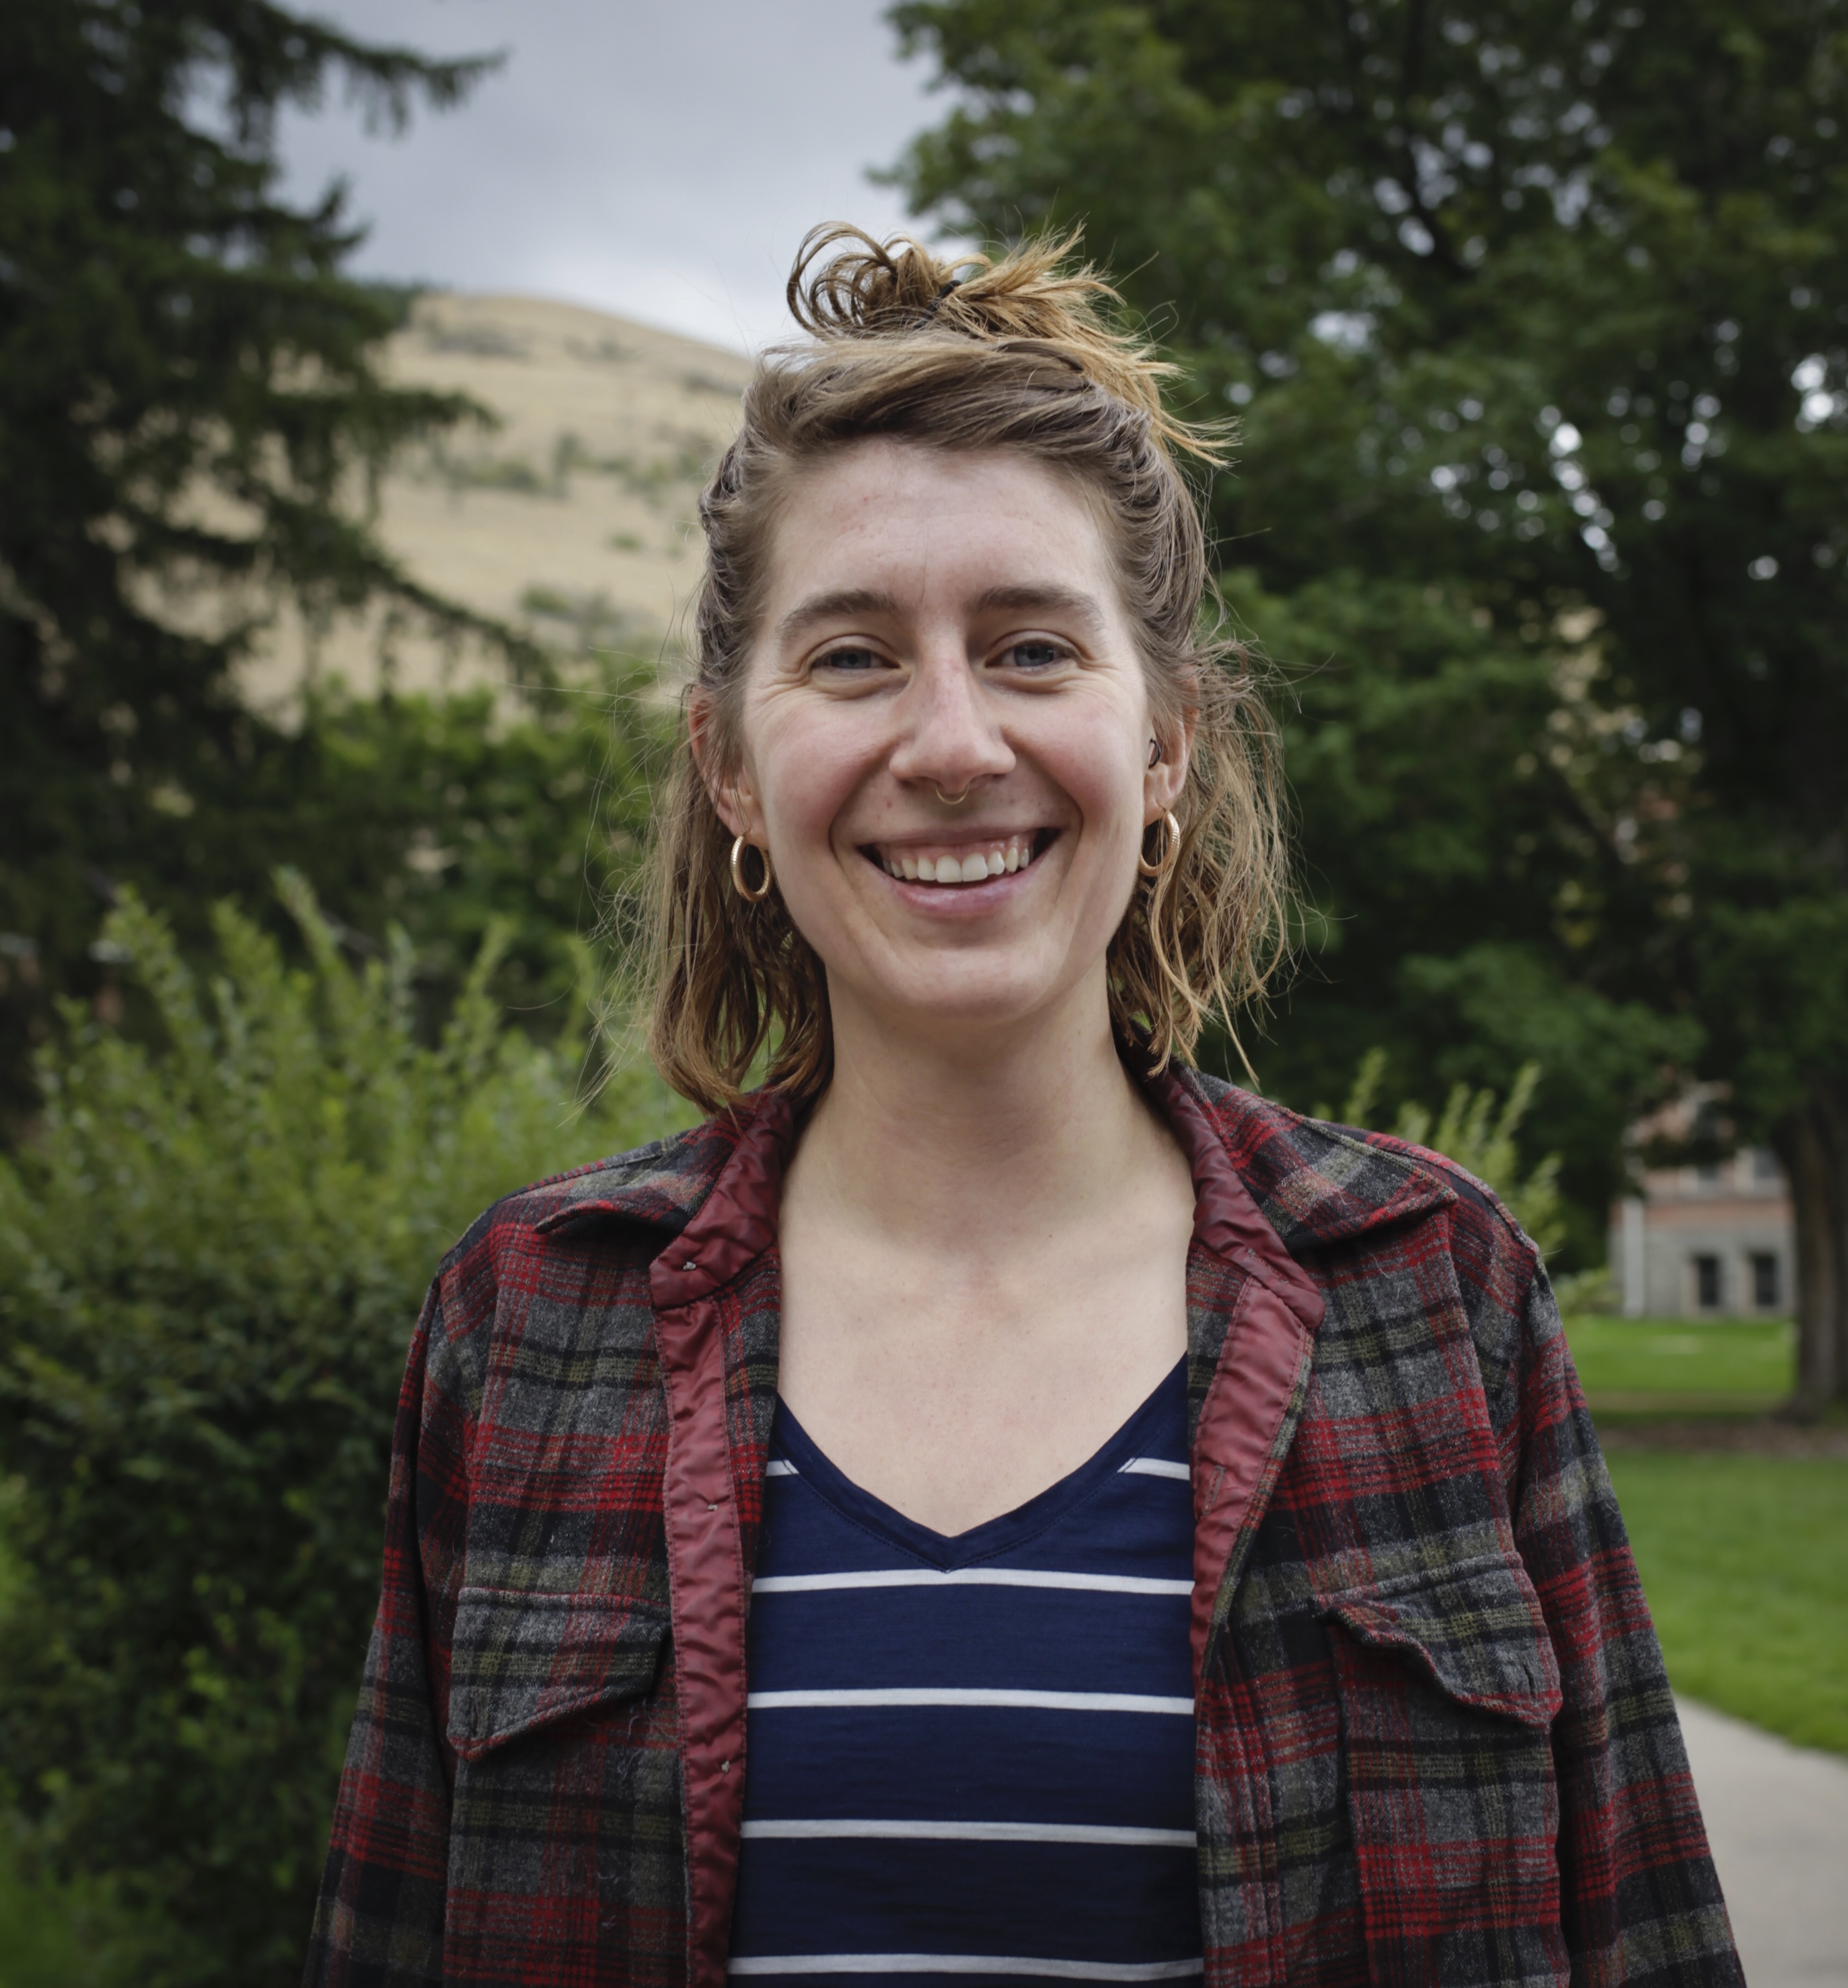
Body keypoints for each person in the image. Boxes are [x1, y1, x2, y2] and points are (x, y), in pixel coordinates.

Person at [304, 226, 1742, 1988]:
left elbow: (1652, 1942)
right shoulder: (529, 1319)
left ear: (1167, 744)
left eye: (1034, 649)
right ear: (730, 766)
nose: (953, 743)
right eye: (853, 657)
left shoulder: (1435, 1289)